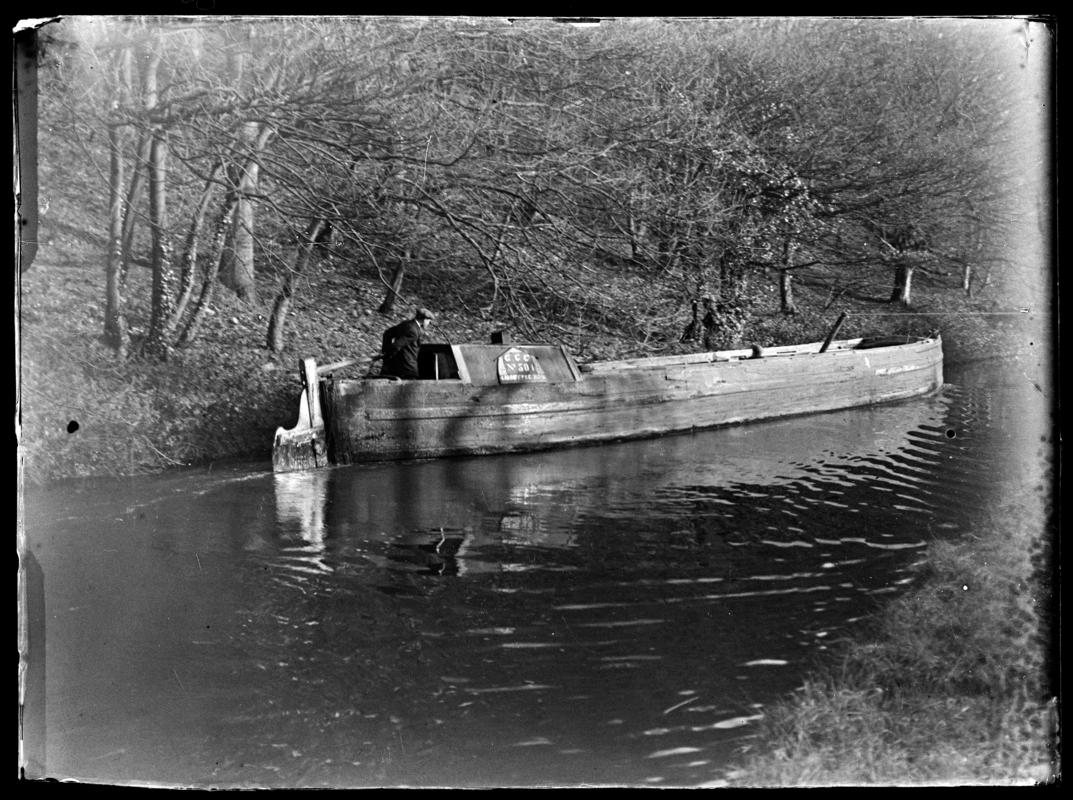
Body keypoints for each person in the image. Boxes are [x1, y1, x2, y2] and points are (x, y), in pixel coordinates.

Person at [379, 308, 435, 379]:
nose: (429, 323)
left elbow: (387, 334)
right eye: (429, 321)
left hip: (395, 366)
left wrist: (385, 351)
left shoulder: (405, 324)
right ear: (424, 320)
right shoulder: (413, 331)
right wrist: (387, 355)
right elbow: (397, 345)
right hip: (407, 368)